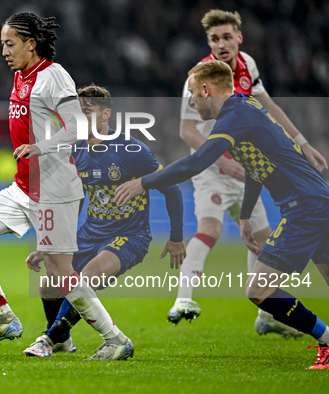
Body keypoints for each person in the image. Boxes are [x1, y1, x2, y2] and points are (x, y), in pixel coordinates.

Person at [115, 59, 329, 370]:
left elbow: (195, 163)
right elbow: (257, 167)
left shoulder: (234, 115)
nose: (190, 101)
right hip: (318, 200)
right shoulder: (246, 108)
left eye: (192, 93)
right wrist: (245, 216)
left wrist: (142, 182)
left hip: (305, 207)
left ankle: (325, 340)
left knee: (259, 290)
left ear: (206, 89)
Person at [0, 12, 133, 360]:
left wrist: (41, 146)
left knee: (59, 275)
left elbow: (76, 127)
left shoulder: (53, 76)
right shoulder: (21, 76)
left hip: (55, 189)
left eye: (10, 44)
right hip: (23, 188)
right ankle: (3, 316)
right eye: (2, 44)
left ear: (31, 44)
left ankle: (115, 339)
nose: (4, 51)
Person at [170, 9, 327, 338]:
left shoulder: (247, 66)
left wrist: (303, 143)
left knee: (261, 237)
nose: (222, 44)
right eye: (214, 39)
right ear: (208, 42)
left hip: (250, 164)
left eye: (227, 37)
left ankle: (267, 315)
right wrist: (222, 161)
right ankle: (182, 300)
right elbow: (187, 130)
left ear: (239, 37)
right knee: (210, 228)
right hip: (212, 164)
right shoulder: (198, 79)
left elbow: (269, 107)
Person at [22, 84, 186, 358]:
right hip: (90, 232)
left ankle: (48, 340)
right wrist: (54, 242)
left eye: (88, 111)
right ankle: (62, 339)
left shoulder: (131, 150)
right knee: (49, 283)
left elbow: (171, 187)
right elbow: (76, 199)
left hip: (130, 235)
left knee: (87, 278)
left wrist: (177, 236)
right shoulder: (76, 153)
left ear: (106, 114)